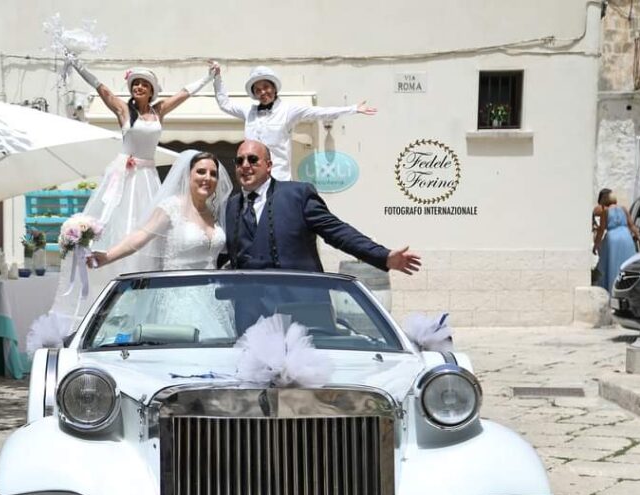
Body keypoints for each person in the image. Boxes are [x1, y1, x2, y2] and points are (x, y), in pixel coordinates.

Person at [50, 58, 216, 320]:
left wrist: (208, 77)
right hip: (125, 177)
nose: (138, 87)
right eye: (135, 83)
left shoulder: (159, 110)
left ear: (151, 90)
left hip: (148, 177)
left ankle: (143, 304)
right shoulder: (124, 111)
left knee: (148, 228)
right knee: (118, 227)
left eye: (143, 84)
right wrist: (78, 65)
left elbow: (184, 93)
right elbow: (102, 89)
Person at [224, 141, 420, 332]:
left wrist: (383, 256)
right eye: (239, 161)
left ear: (268, 166)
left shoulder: (297, 194)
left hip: (301, 310)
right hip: (250, 315)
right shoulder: (232, 205)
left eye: (252, 159)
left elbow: (336, 231)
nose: (245, 166)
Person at [89, 150, 235, 337]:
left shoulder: (213, 213)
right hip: (178, 299)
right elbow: (140, 236)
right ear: (188, 175)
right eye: (201, 172)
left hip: (213, 301)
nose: (208, 178)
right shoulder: (171, 207)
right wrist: (106, 256)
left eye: (213, 174)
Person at [211, 64, 377, 181]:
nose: (263, 92)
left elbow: (320, 112)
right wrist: (217, 77)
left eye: (266, 87)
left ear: (274, 88)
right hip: (252, 180)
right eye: (258, 89)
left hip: (279, 180)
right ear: (254, 93)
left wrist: (354, 108)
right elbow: (224, 104)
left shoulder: (288, 111)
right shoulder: (249, 112)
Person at [594, 188, 640, 293]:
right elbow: (631, 225)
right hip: (626, 236)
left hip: (613, 239)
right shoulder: (623, 208)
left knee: (611, 264)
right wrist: (638, 235)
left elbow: (601, 229)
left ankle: (612, 290)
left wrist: (596, 244)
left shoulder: (605, 211)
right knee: (626, 264)